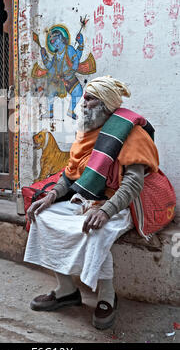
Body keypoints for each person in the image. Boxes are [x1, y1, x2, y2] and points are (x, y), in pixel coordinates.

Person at [24, 75, 159, 330]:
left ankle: (107, 297)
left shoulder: (132, 133)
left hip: (119, 202)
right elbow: (71, 174)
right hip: (86, 197)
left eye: (90, 98)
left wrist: (106, 211)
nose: (83, 102)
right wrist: (52, 195)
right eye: (84, 97)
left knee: (96, 230)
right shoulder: (85, 131)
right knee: (42, 216)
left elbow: (132, 183)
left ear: (106, 104)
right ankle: (66, 290)